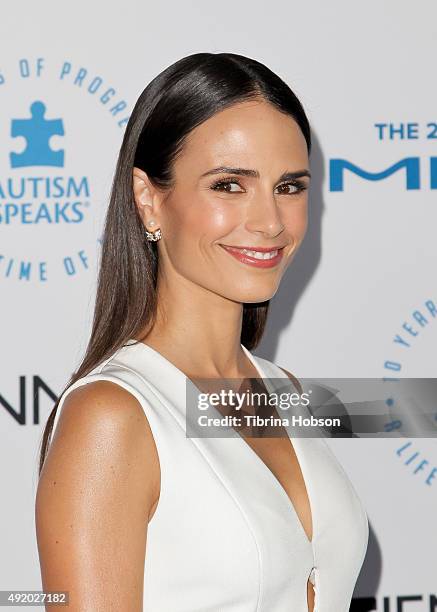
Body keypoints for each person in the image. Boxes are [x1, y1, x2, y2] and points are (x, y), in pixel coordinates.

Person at [35, 52, 369, 612]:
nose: (270, 221)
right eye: (230, 185)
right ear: (148, 199)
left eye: (289, 187)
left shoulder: (282, 391)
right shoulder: (113, 417)